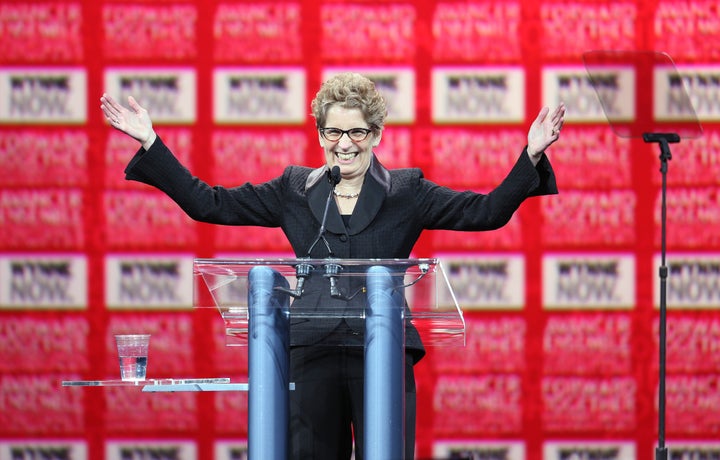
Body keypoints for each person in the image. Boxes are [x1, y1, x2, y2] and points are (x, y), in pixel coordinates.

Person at [100, 72, 565, 459]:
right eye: (333, 132)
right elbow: (209, 204)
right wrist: (151, 143)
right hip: (311, 351)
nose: (345, 144)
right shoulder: (294, 189)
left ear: (376, 134)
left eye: (357, 132)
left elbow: (485, 212)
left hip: (381, 349)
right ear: (320, 133)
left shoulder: (407, 191)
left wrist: (531, 156)